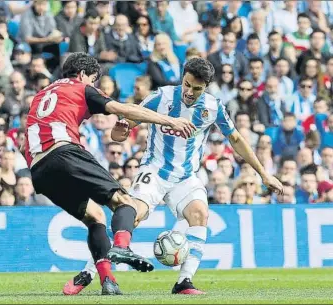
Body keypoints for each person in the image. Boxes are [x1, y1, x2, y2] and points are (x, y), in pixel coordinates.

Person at [64, 57, 284, 295]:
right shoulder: (162, 97)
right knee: (131, 216)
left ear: (206, 86)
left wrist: (264, 174)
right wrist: (120, 130)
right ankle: (89, 271)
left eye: (197, 88)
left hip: (186, 177)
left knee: (200, 213)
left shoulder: (213, 107)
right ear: (183, 78)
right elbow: (122, 130)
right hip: (155, 171)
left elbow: (237, 140)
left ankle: (184, 282)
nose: (190, 92)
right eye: (187, 84)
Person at [24, 52, 195, 295]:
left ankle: (108, 281)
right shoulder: (80, 88)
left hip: (39, 169)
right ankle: (122, 247)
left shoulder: (41, 95)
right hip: (65, 151)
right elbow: (121, 109)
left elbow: (24, 146)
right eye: (92, 79)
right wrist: (169, 121)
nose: (93, 85)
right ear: (83, 74)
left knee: (95, 218)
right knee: (124, 202)